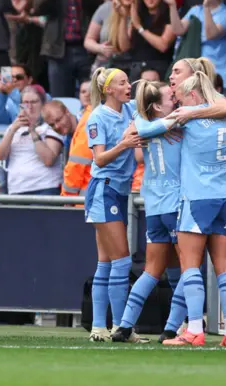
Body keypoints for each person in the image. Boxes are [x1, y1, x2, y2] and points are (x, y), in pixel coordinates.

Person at [162, 72, 226, 348]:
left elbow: (147, 130)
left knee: (190, 264)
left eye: (180, 98)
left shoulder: (189, 117)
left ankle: (194, 329)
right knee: (223, 265)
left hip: (197, 198)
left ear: (193, 96)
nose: (178, 104)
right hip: (225, 196)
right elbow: (225, 107)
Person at [110, 80, 182, 344]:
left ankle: (125, 325)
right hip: (175, 204)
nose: (175, 100)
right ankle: (174, 328)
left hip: (154, 206)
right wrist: (174, 120)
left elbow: (137, 122)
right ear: (156, 106)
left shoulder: (143, 123)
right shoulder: (179, 122)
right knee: (189, 269)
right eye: (170, 98)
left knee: (155, 269)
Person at [84, 67, 147, 342]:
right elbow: (98, 160)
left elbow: (148, 96)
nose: (127, 86)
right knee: (121, 260)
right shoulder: (97, 116)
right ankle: (122, 327)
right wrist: (124, 144)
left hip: (120, 190)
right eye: (122, 83)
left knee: (107, 262)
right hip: (104, 189)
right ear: (108, 89)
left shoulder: (129, 109)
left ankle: (100, 326)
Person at [0, 86, 64, 195]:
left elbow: (48, 160)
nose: (30, 107)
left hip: (45, 187)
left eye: (34, 102)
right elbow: (0, 156)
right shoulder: (13, 128)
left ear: (43, 104)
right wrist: (12, 130)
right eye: (26, 102)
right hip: (17, 188)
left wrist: (32, 131)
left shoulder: (51, 126)